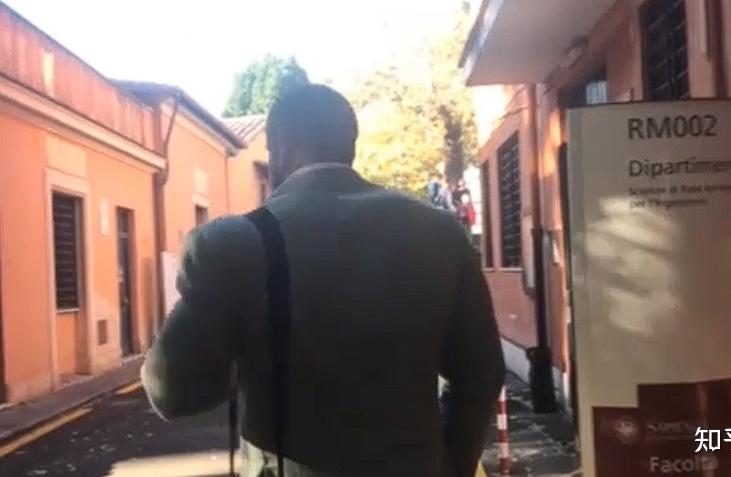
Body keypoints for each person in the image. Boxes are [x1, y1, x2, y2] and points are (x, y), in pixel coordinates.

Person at [141, 84, 505, 477]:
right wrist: (451, 466)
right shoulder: (439, 233)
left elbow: (171, 392)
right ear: (350, 146)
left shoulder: (231, 243)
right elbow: (482, 373)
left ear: (280, 150)